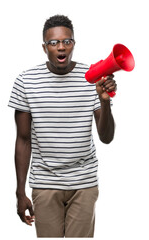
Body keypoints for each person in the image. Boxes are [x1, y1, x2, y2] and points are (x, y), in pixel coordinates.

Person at [8, 15, 116, 238]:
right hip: (45, 183)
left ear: (73, 44)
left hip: (84, 183)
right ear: (44, 47)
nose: (61, 47)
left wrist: (105, 101)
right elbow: (23, 139)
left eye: (67, 41)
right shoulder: (26, 81)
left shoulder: (92, 78)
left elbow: (106, 137)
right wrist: (20, 192)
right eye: (54, 42)